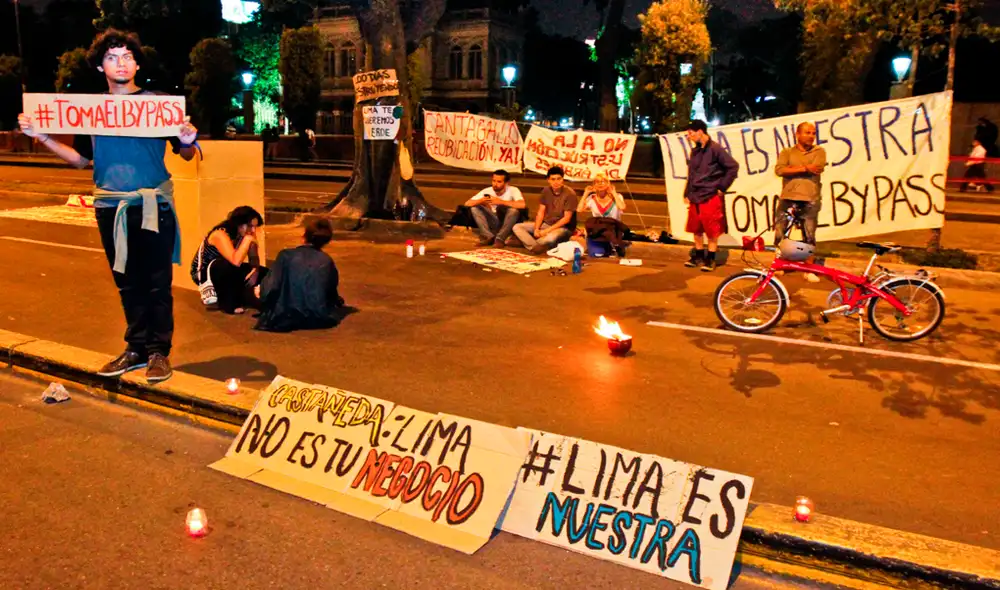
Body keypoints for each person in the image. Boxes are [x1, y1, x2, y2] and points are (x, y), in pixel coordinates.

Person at [18, 29, 198, 384]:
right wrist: (43, 138)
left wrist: (188, 141)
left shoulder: (157, 106)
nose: (121, 63)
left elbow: (187, 152)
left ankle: (159, 352)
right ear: (101, 66)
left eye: (127, 57)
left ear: (137, 64)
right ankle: (136, 348)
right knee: (127, 283)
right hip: (109, 208)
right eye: (112, 57)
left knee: (157, 282)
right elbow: (80, 160)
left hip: (153, 205)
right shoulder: (91, 111)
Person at [255, 218, 346, 332]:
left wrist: (261, 292)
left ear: (304, 237)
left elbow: (272, 286)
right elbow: (330, 288)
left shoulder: (286, 256)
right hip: (318, 317)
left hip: (287, 314)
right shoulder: (326, 260)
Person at [774, 122, 827, 283]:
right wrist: (805, 168)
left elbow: (817, 168)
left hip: (810, 199)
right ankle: (780, 265)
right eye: (807, 133)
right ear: (798, 134)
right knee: (781, 232)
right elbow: (779, 170)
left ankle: (809, 269)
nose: (811, 136)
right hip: (788, 197)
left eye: (813, 133)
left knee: (809, 235)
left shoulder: (819, 151)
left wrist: (793, 168)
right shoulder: (787, 152)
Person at [683, 120, 739, 272]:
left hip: (709, 195)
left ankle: (711, 258)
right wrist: (687, 192)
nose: (689, 136)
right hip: (695, 195)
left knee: (711, 229)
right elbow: (692, 173)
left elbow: (732, 167)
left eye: (691, 133)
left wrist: (722, 186)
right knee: (696, 228)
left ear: (700, 131)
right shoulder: (695, 151)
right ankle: (698, 255)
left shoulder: (716, 149)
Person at [191, 206, 267, 315]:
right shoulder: (220, 234)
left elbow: (253, 257)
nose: (253, 230)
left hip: (229, 268)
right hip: (206, 272)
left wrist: (255, 270)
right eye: (250, 226)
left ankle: (253, 298)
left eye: (255, 227)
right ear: (239, 224)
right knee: (226, 266)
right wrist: (247, 239)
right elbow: (235, 260)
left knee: (266, 273)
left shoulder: (244, 233)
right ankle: (228, 304)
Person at [513, 166, 578, 254]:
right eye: (553, 179)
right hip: (546, 224)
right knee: (517, 227)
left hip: (563, 228)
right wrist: (536, 228)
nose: (556, 182)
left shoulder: (570, 194)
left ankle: (532, 244)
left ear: (563, 179)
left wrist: (546, 231)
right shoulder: (546, 191)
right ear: (548, 180)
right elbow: (541, 212)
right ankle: (536, 247)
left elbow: (566, 219)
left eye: (559, 179)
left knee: (550, 238)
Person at [464, 169, 525, 247]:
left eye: (499, 182)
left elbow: (522, 205)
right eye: (494, 181)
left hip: (506, 221)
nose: (495, 184)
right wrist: (482, 200)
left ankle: (500, 239)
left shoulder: (513, 190)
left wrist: (501, 202)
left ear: (506, 183)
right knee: (474, 208)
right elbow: (467, 203)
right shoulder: (487, 190)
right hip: (493, 220)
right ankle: (488, 236)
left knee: (514, 211)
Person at [577, 172, 629, 256]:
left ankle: (614, 246)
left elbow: (622, 207)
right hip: (598, 231)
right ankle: (605, 247)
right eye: (597, 182)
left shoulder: (617, 196)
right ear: (594, 185)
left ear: (608, 183)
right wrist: (585, 193)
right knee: (596, 254)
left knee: (612, 250)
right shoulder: (592, 198)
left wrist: (614, 193)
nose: (600, 184)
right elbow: (579, 209)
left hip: (613, 230)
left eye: (604, 181)